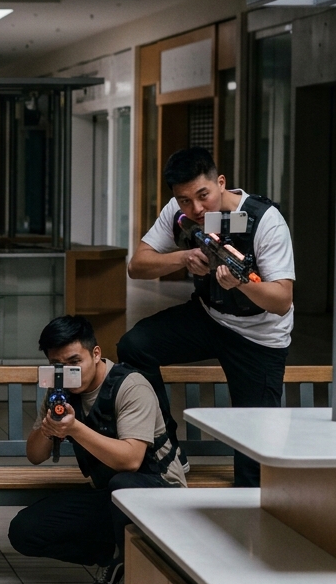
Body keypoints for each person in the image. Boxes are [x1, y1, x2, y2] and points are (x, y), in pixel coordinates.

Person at [119, 147, 295, 488]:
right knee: (134, 346)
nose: (196, 209)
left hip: (259, 337)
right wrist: (184, 257)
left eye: (203, 196)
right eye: (185, 200)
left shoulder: (266, 220)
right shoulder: (180, 209)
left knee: (252, 470)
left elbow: (282, 301)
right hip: (209, 316)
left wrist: (241, 282)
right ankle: (166, 447)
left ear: (221, 183)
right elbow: (136, 265)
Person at [7, 315, 187, 584]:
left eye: (75, 361)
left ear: (95, 353)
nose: (68, 371)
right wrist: (49, 428)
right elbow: (35, 455)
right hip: (112, 494)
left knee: (123, 484)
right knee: (26, 530)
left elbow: (131, 460)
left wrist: (74, 428)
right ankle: (115, 558)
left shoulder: (130, 385)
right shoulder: (59, 387)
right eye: (58, 364)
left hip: (158, 490)